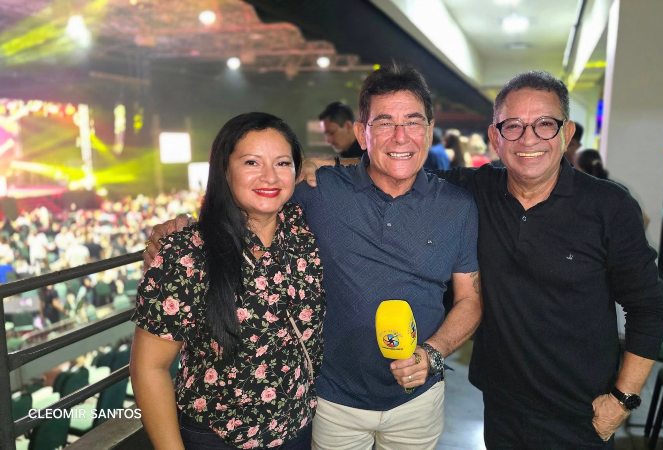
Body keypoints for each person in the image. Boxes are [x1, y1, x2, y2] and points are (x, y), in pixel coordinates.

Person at [145, 66, 482, 450]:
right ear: (362, 133)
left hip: (417, 400)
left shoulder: (458, 206)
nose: (401, 136)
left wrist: (433, 354)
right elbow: (250, 205)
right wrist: (184, 227)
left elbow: (470, 299)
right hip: (330, 402)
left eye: (413, 122)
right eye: (385, 122)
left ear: (430, 129)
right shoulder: (318, 191)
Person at [432, 71, 663, 448]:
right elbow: (398, 172)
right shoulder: (477, 190)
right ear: (495, 136)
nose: (528, 139)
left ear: (566, 133)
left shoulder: (609, 206)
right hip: (501, 403)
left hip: (581, 412)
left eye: (545, 124)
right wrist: (331, 170)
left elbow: (648, 309)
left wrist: (622, 400)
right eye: (513, 126)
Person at [131, 112, 325, 449]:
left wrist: (328, 161)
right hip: (216, 437)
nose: (269, 176)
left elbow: (379, 165)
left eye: (282, 163)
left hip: (296, 430)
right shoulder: (187, 253)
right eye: (252, 162)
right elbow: (149, 368)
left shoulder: (304, 229)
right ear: (224, 169)